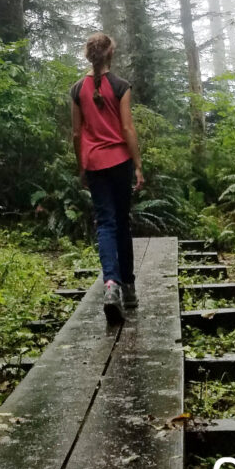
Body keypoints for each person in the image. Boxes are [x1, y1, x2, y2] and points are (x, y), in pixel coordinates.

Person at [70, 33, 144, 325]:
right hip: (121, 162)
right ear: (110, 55)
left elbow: (76, 134)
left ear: (90, 56)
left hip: (95, 164)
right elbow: (127, 129)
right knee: (121, 223)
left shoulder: (77, 90)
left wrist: (82, 167)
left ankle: (110, 284)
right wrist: (138, 165)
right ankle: (129, 289)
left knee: (106, 223)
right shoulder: (120, 86)